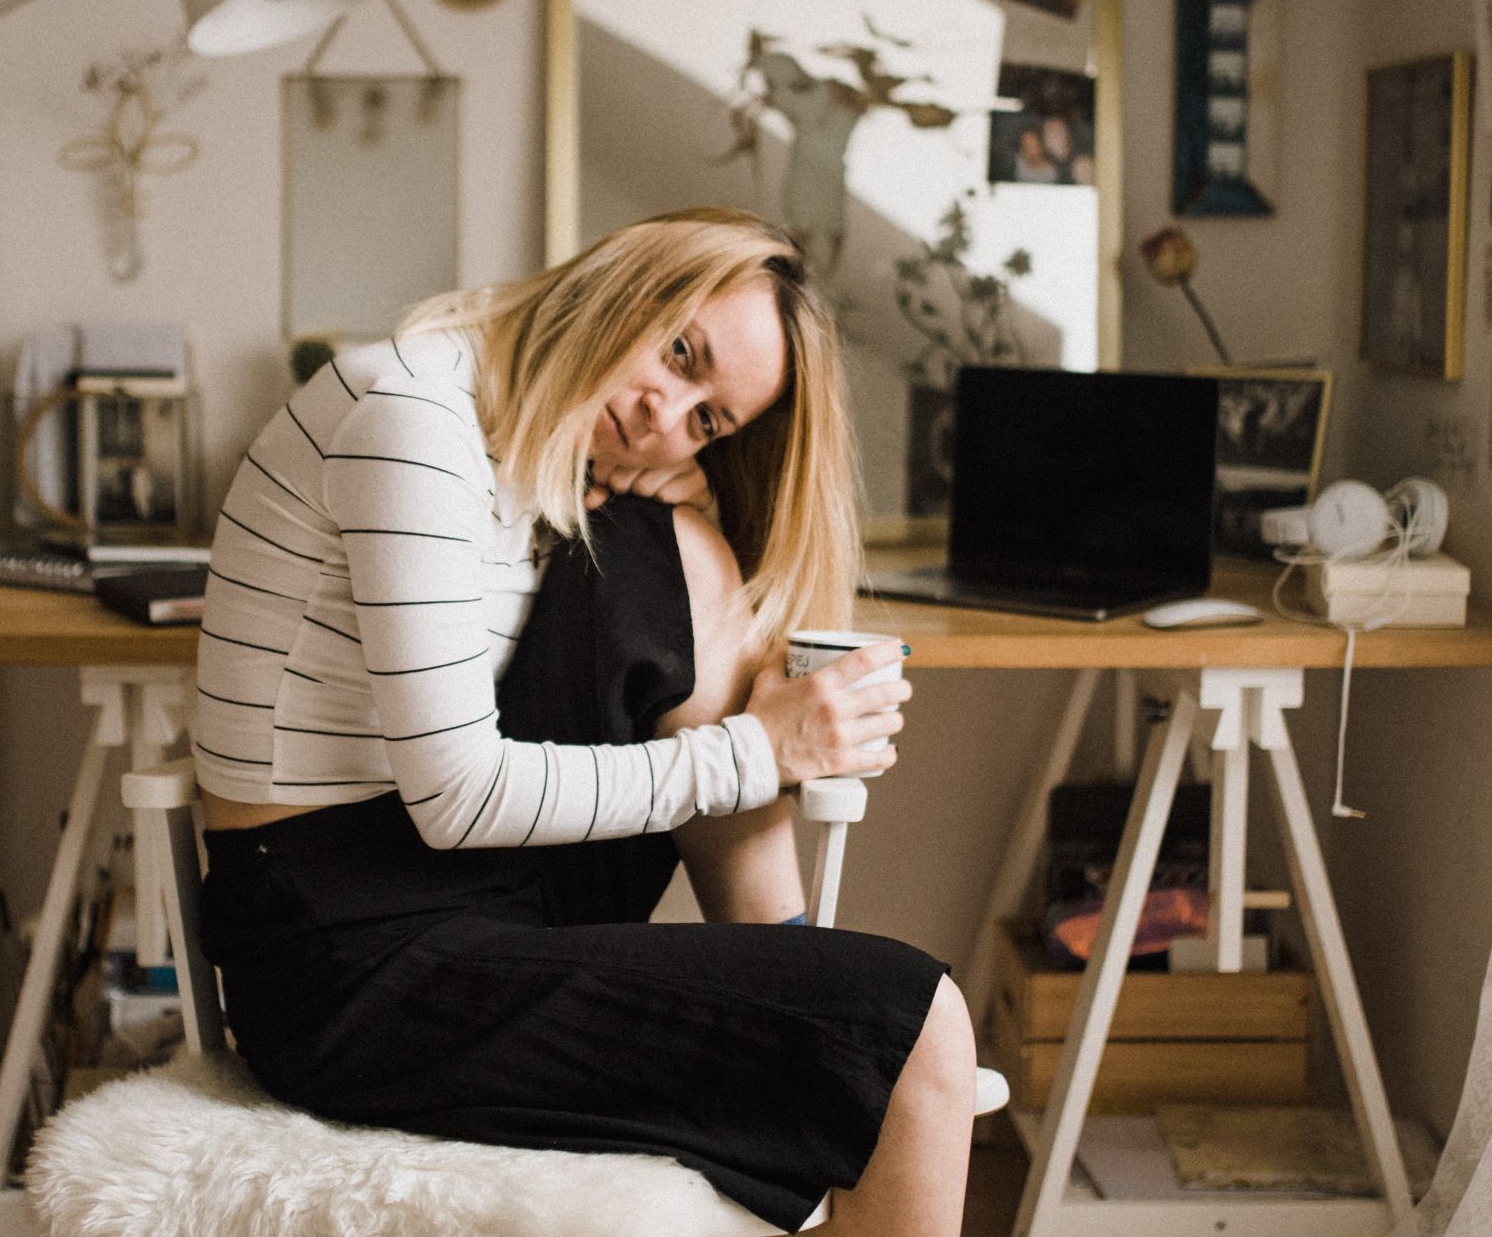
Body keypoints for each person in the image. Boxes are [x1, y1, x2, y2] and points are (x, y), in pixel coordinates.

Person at [192, 208, 976, 1235]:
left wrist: (644, 492)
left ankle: (790, 969)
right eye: (681, 353)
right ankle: (821, 1016)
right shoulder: (412, 418)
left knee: (677, 552)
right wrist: (761, 749)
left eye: (706, 421)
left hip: (454, 894)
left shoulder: (519, 436)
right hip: (341, 956)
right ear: (625, 275)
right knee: (919, 1030)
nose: (666, 413)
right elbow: (457, 795)